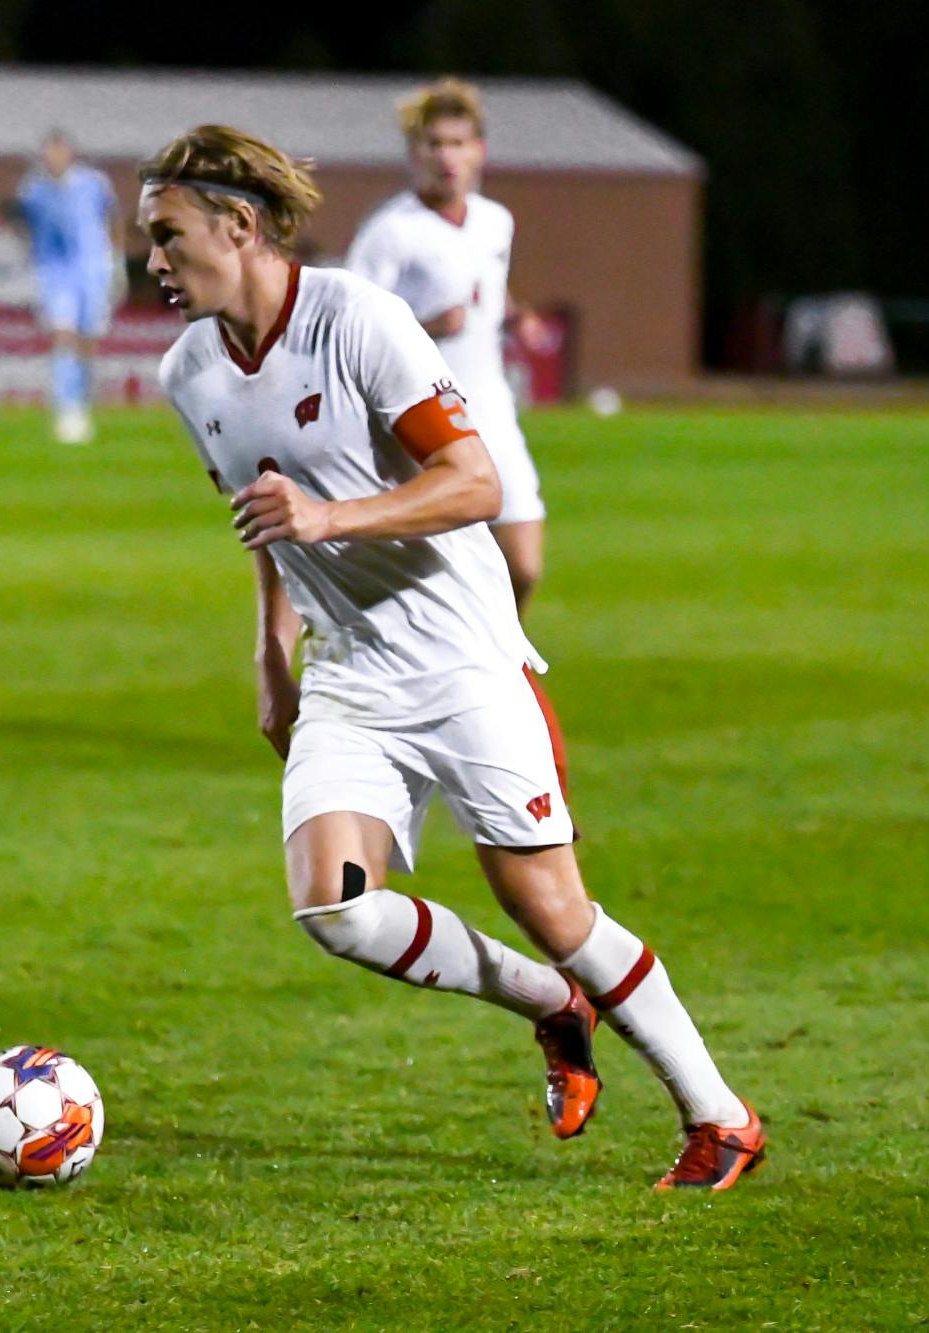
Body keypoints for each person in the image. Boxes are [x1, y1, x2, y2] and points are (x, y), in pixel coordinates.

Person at [141, 123, 765, 1190]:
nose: (150, 260)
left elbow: (473, 483)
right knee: (333, 905)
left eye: (165, 234)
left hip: (463, 657)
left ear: (238, 225)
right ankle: (547, 1005)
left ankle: (720, 1118)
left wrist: (331, 518)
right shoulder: (187, 371)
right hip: (346, 668)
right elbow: (264, 523)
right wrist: (270, 651)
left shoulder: (358, 321)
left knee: (553, 908)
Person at [345, 79, 552, 613]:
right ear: (414, 154)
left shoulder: (495, 221)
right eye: (434, 144)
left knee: (523, 566)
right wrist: (427, 327)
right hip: (422, 419)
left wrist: (516, 315)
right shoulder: (391, 232)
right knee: (429, 581)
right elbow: (351, 323)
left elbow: (489, 288)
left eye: (458, 143)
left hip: (493, 409)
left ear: (479, 151)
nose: (447, 157)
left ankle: (499, 665)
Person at [13, 131, 123, 445]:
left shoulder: (94, 183)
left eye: (59, 152)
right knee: (63, 335)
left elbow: (112, 219)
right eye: (49, 153)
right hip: (54, 272)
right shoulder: (33, 190)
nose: (54, 159)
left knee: (87, 342)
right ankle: (67, 409)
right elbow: (24, 225)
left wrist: (115, 263)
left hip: (93, 269)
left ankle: (83, 401)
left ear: (70, 154)